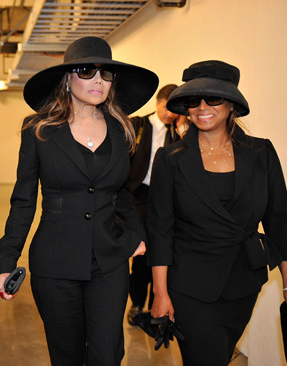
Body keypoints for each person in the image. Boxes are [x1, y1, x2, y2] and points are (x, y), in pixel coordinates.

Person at [0, 36, 158, 366]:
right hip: (55, 262)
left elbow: (121, 192)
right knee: (66, 355)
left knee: (107, 353)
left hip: (109, 261)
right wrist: (5, 260)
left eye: (106, 73)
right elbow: (23, 200)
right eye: (86, 70)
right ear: (67, 79)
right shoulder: (39, 130)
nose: (98, 79)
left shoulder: (121, 129)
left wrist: (138, 235)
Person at [146, 60, 287, 365]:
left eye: (214, 98)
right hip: (189, 286)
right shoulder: (170, 158)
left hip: (242, 284)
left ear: (231, 104)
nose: (202, 107)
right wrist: (160, 292)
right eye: (193, 100)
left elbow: (278, 220)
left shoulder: (261, 152)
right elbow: (159, 229)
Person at [126, 84, 186, 324]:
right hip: (138, 196)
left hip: (166, 199)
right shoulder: (138, 125)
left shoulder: (179, 133)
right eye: (167, 107)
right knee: (141, 254)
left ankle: (156, 306)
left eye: (175, 109)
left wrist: (181, 127)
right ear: (158, 103)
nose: (170, 113)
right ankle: (137, 303)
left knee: (162, 251)